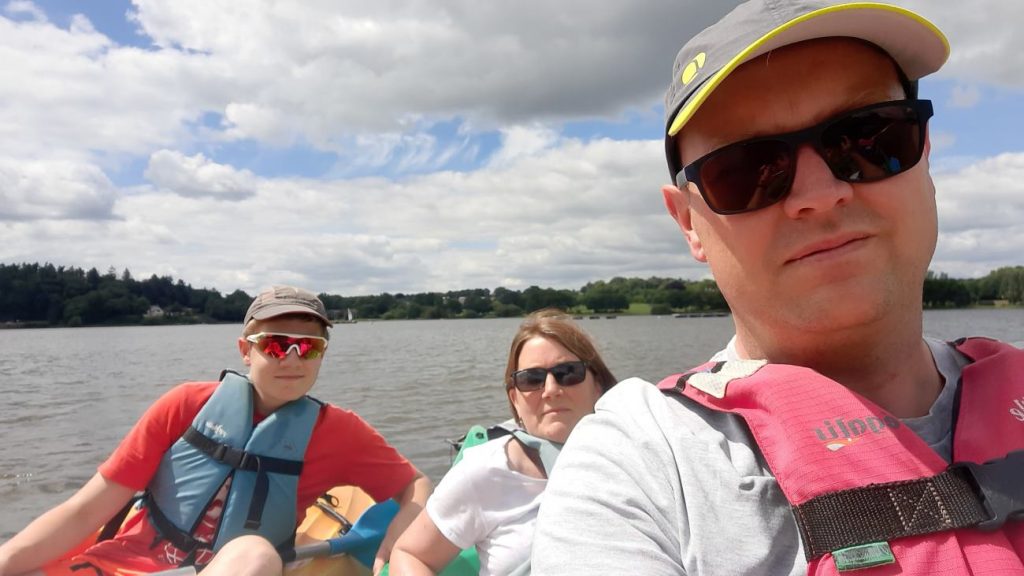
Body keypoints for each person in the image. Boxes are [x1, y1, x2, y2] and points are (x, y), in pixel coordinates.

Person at [533, 1, 1024, 575]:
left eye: (867, 137)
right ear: (689, 223)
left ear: (926, 153)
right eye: (747, 170)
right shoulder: (637, 469)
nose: (819, 194)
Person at [0, 285, 432, 576]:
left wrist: (397, 544)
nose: (292, 359)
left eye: (309, 347)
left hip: (233, 568)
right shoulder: (185, 404)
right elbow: (86, 511)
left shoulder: (340, 432)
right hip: (120, 564)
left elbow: (415, 485)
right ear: (246, 350)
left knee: (256, 553)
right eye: (276, 344)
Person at [389, 309, 617, 576]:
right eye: (532, 379)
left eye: (568, 372)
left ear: (597, 385)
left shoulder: (637, 459)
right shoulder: (486, 471)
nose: (551, 390)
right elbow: (410, 554)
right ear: (514, 399)